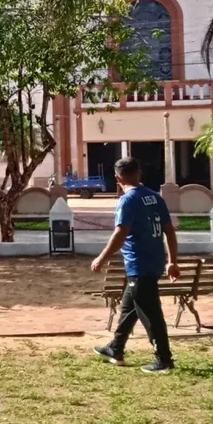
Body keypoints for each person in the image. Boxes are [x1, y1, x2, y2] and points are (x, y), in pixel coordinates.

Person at [90, 156, 179, 373]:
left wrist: (102, 257)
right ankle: (116, 348)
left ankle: (163, 358)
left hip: (139, 264)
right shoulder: (155, 198)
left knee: (151, 313)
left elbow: (121, 232)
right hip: (154, 262)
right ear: (139, 173)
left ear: (117, 177)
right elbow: (169, 230)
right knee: (130, 307)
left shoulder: (128, 200)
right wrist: (172, 261)